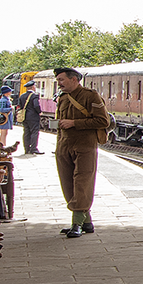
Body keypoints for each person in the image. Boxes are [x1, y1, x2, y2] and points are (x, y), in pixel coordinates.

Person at [52, 66, 110, 236]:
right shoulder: (62, 98)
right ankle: (87, 222)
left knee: (82, 182)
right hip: (64, 145)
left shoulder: (90, 96)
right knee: (67, 182)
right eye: (58, 81)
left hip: (85, 145)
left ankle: (76, 222)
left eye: (61, 79)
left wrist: (74, 123)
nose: (59, 83)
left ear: (74, 79)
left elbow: (102, 121)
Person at [20, 79, 43, 155]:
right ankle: (33, 148)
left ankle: (26, 149)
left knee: (26, 132)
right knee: (34, 132)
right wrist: (39, 112)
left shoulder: (22, 96)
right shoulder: (34, 96)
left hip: (24, 116)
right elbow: (36, 105)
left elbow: (20, 106)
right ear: (33, 87)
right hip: (33, 117)